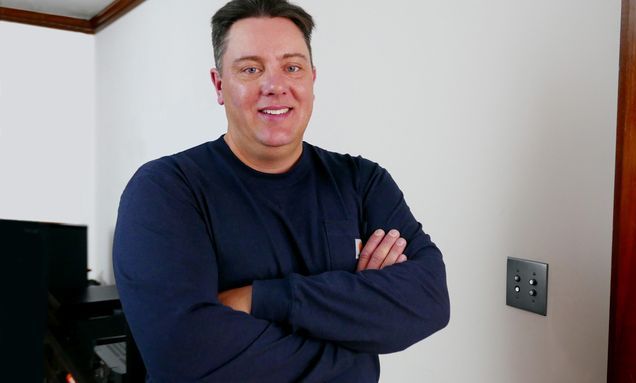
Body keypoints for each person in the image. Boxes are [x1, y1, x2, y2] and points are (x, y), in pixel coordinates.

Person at [112, 0, 450, 381]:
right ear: (219, 84)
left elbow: (430, 301)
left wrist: (262, 298)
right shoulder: (167, 189)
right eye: (251, 69)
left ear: (311, 79)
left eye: (292, 67)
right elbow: (183, 355)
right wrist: (353, 340)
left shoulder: (362, 181)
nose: (276, 86)